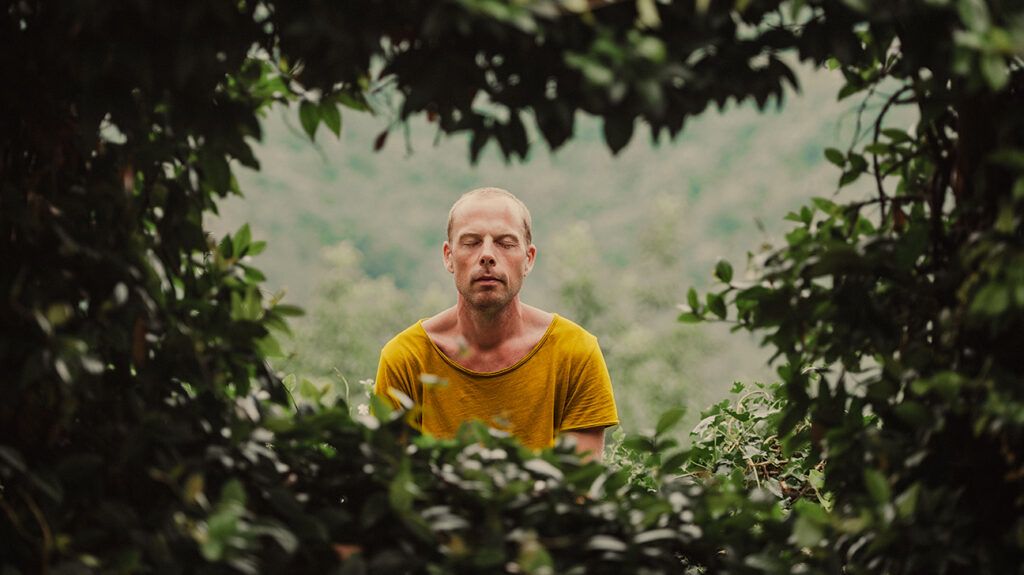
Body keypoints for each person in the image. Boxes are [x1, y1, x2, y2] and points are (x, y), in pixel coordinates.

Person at [374, 187, 618, 459]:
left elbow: (579, 491)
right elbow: (390, 484)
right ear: (448, 256)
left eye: (505, 243)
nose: (487, 255)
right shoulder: (406, 358)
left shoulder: (575, 352)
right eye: (471, 242)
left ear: (529, 259)